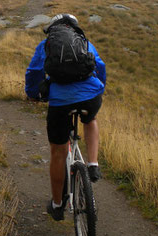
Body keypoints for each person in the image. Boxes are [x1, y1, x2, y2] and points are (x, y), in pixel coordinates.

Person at [25, 13, 106, 221]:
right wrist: (99, 87)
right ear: (73, 27)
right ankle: (93, 165)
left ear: (53, 29)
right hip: (90, 97)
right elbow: (101, 66)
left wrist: (33, 95)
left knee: (58, 152)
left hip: (60, 103)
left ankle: (58, 204)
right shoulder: (84, 42)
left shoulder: (46, 45)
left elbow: (34, 71)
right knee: (90, 119)